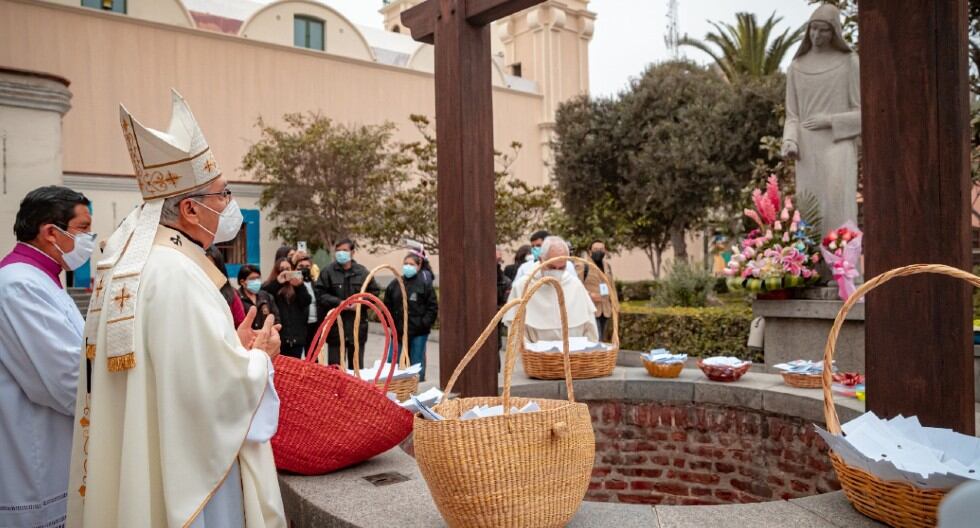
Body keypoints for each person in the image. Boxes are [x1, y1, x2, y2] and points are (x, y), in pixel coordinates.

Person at [67, 90, 285, 527]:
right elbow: (209, 393)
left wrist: (232, 345)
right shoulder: (176, 273)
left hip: (145, 454)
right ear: (189, 208)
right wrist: (260, 359)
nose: (229, 206)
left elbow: (174, 364)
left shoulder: (137, 263)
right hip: (191, 477)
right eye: (223, 195)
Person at [0, 186, 92, 528]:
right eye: (83, 228)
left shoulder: (42, 280)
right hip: (34, 452)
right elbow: (66, 378)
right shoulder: (18, 284)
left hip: (57, 441)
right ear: (51, 231)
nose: (89, 239)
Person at [504, 236, 598, 342]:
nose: (556, 271)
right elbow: (516, 335)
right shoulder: (522, 286)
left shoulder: (575, 285)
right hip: (534, 357)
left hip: (574, 356)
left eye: (561, 268)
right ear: (540, 260)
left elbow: (590, 328)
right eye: (552, 267)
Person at [314, 238, 380, 367]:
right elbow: (320, 294)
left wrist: (360, 303)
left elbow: (374, 293)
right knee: (335, 369)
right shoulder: (328, 272)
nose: (340, 253)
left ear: (352, 252)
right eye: (338, 251)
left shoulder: (362, 272)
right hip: (335, 329)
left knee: (356, 369)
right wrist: (339, 303)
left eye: (344, 250)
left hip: (357, 328)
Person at [383, 253, 438, 380]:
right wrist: (389, 324)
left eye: (411, 264)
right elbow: (387, 306)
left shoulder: (424, 284)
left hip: (418, 332)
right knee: (393, 360)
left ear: (419, 266)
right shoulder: (395, 283)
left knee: (416, 362)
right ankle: (395, 384)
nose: (408, 266)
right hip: (398, 331)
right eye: (406, 264)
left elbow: (432, 307)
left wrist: (423, 323)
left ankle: (418, 384)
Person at [263, 258, 312, 359]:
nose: (285, 271)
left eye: (288, 268)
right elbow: (264, 295)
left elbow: (306, 301)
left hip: (296, 338)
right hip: (278, 337)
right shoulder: (271, 285)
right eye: (281, 269)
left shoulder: (298, 286)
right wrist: (277, 282)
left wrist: (299, 286)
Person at [578, 240, 614, 341]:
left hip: (605, 309)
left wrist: (615, 306)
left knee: (602, 339)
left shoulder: (607, 266)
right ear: (590, 251)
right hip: (591, 309)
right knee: (595, 339)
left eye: (601, 249)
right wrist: (589, 295)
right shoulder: (583, 265)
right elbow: (577, 286)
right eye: (596, 249)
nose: (599, 251)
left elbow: (612, 287)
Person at [207, 245, 246, 327]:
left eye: (210, 267)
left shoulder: (231, 295)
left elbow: (241, 326)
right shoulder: (190, 292)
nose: (206, 271)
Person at [293, 254, 325, 350]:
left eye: (307, 266)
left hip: (315, 324)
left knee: (314, 355)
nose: (304, 269)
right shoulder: (292, 285)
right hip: (300, 325)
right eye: (301, 266)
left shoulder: (315, 283)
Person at [237, 264, 279, 330]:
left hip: (266, 337)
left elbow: (276, 318)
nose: (256, 281)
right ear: (242, 282)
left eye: (258, 278)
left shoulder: (266, 296)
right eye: (252, 279)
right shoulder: (237, 298)